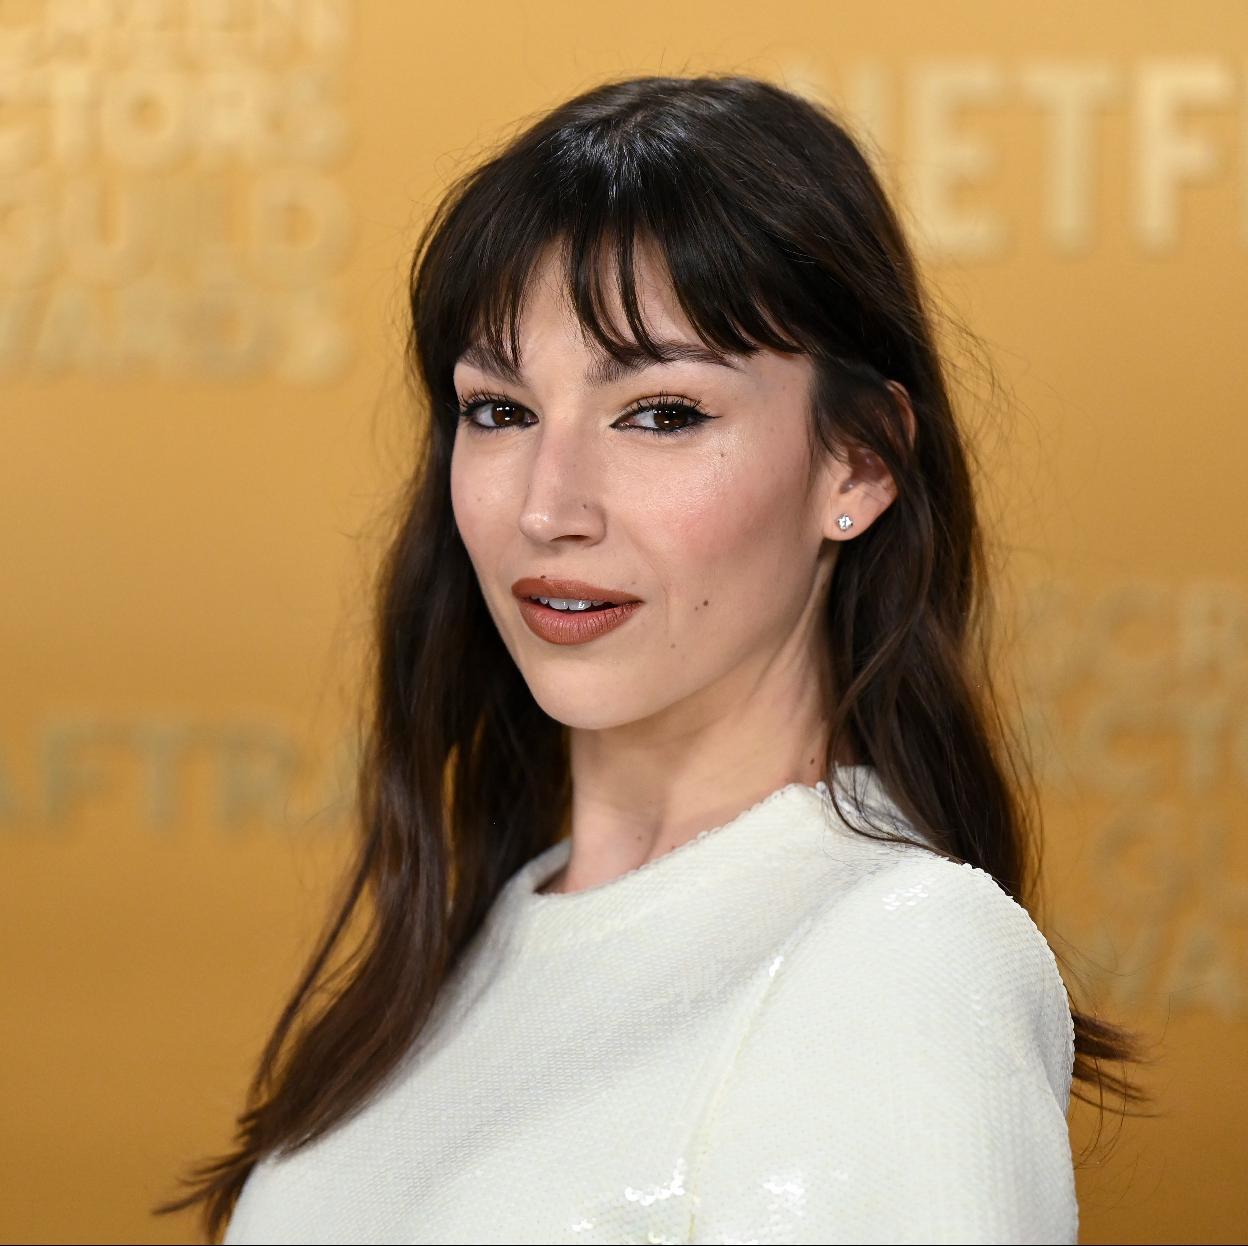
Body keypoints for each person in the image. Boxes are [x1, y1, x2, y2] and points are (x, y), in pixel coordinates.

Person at [159, 73, 1146, 1244]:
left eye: (662, 413)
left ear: (860, 464)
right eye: (500, 411)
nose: (549, 506)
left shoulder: (900, 958)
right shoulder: (465, 944)